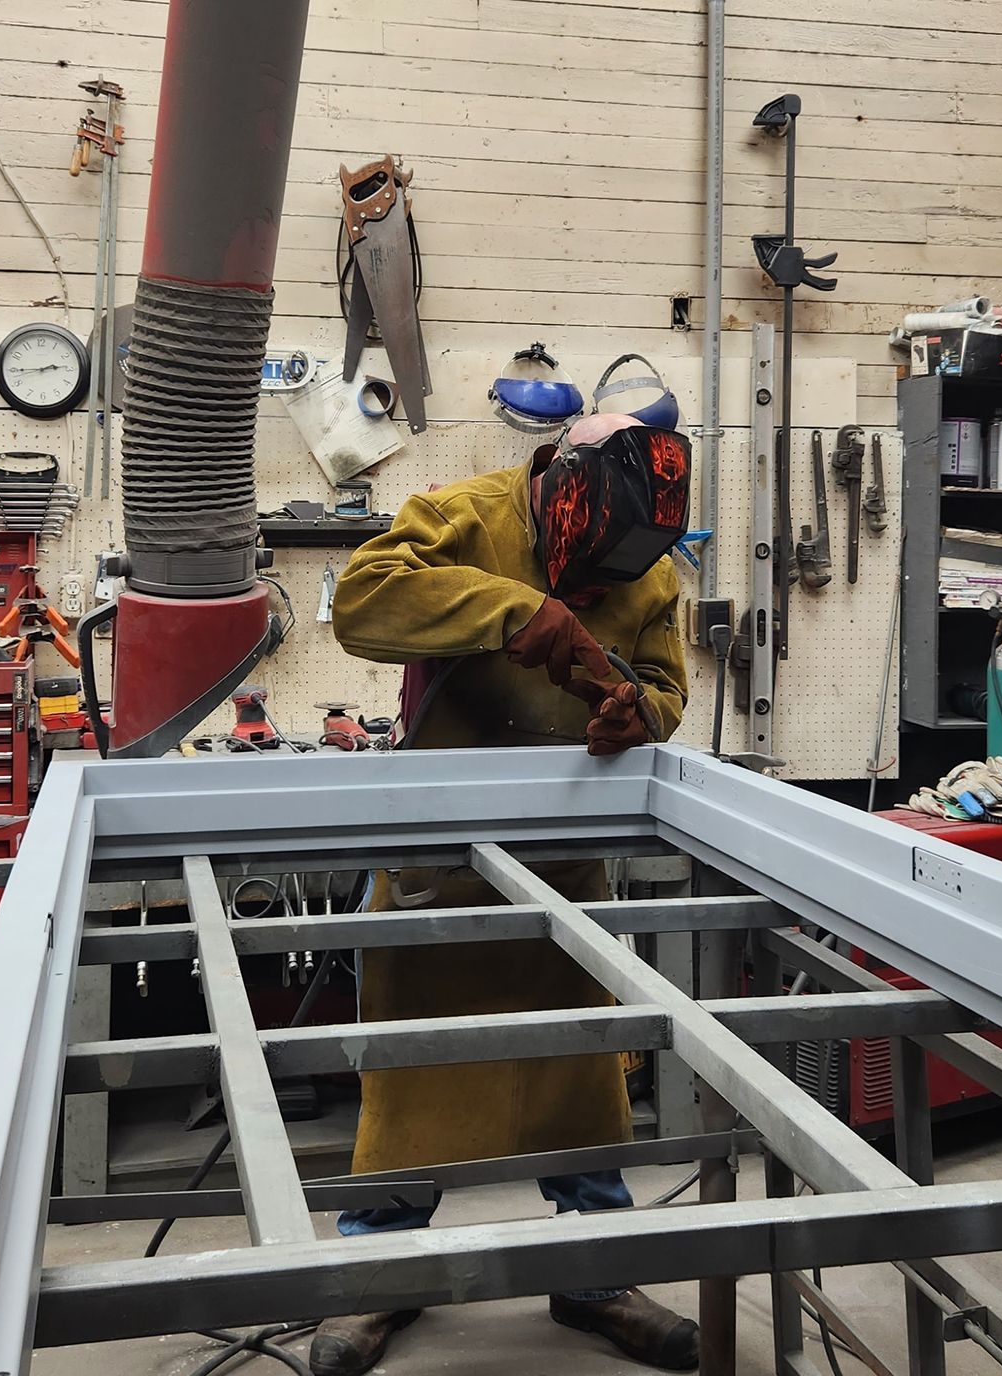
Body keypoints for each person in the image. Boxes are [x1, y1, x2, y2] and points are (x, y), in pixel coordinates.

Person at [319, 412, 696, 1376]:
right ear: (560, 495)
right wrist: (507, 609)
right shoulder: (463, 517)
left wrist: (632, 712)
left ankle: (594, 1275)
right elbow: (362, 599)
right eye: (585, 577)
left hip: (564, 857)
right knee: (413, 1068)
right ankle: (380, 1272)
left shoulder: (650, 569)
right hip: (435, 859)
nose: (604, 592)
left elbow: (664, 686)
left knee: (580, 1068)